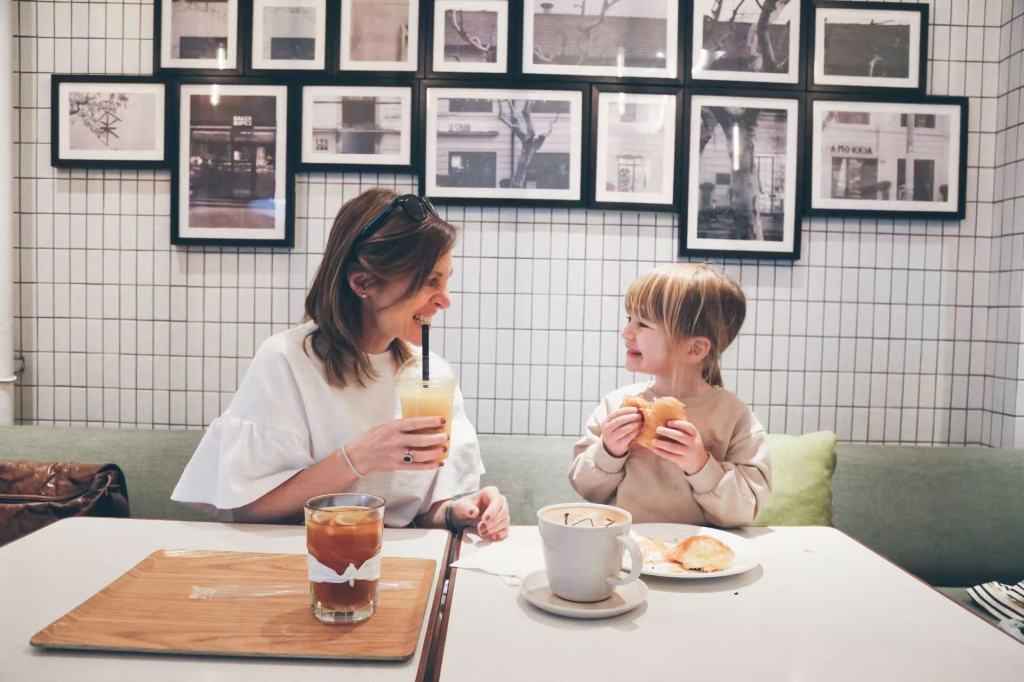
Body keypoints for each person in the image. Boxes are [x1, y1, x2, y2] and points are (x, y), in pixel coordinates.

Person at [172, 189, 510, 541]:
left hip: (398, 566)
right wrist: (358, 457)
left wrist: (462, 512)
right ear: (363, 282)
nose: (445, 300)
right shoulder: (287, 361)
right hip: (298, 559)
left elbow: (421, 514)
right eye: (430, 281)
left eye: (446, 279)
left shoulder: (432, 374)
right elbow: (247, 508)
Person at [568, 264, 770, 528]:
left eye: (642, 324)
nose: (626, 332)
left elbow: (745, 510)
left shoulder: (734, 415)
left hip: (704, 556)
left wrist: (700, 465)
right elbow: (586, 490)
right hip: (627, 550)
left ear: (695, 348)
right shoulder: (616, 405)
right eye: (629, 319)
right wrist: (609, 450)